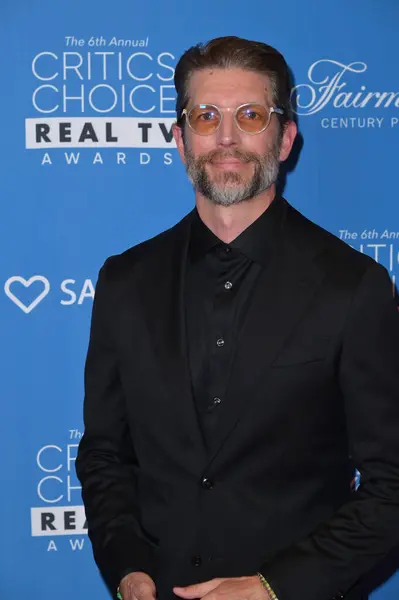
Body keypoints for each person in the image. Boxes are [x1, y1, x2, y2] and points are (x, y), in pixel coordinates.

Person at [75, 36, 399, 600]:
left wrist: (276, 588)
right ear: (180, 140)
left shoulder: (355, 287)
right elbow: (105, 454)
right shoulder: (124, 281)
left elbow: (393, 484)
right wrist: (128, 569)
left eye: (250, 115)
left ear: (286, 138)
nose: (226, 137)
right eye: (206, 116)